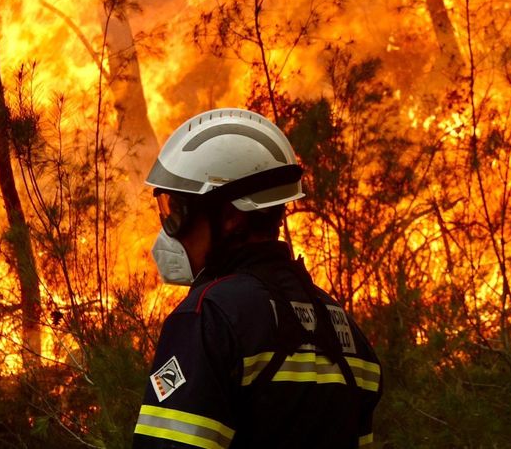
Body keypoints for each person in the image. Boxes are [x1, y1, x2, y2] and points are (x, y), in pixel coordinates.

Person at [133, 108, 381, 448]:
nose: (169, 229)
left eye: (177, 212)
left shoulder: (210, 316)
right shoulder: (343, 327)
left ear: (232, 217)